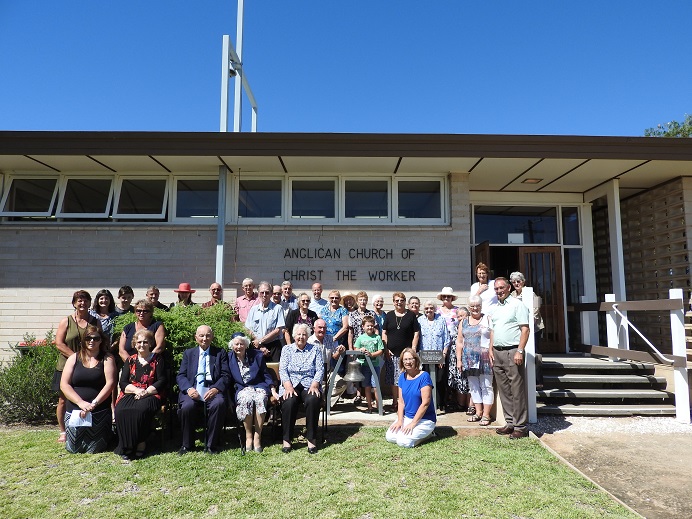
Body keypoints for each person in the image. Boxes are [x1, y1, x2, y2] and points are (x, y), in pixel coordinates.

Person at [60, 325, 117, 453]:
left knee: (95, 449)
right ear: (83, 340)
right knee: (73, 448)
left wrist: (94, 403)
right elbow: (64, 384)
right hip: (75, 410)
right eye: (88, 338)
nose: (92, 341)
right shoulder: (74, 358)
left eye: (95, 338)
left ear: (101, 340)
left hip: (98, 410)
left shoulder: (107, 358)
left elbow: (110, 383)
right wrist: (80, 402)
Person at [54, 290, 101, 443]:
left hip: (88, 366)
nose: (82, 303)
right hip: (66, 365)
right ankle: (63, 431)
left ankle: (86, 427)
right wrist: (76, 358)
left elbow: (99, 340)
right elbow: (59, 343)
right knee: (63, 400)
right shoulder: (66, 321)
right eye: (79, 300)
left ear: (89, 303)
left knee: (86, 396)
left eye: (85, 300)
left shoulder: (95, 321)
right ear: (74, 303)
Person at [176, 325, 231, 454]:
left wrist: (216, 388)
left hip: (212, 389)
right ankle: (187, 444)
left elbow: (226, 375)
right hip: (193, 389)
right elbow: (181, 375)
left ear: (212, 337)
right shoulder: (188, 354)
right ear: (196, 338)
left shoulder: (219, 353)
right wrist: (189, 389)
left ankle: (211, 444)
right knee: (187, 407)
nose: (204, 338)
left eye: (207, 335)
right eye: (201, 335)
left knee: (219, 403)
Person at [114, 329, 166, 460]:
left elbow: (162, 381)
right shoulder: (130, 360)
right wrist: (137, 391)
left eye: (145, 342)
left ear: (150, 344)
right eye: (139, 342)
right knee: (121, 410)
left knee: (140, 410)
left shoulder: (157, 360)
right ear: (134, 344)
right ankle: (126, 446)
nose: (141, 345)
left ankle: (141, 443)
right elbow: (123, 382)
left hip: (151, 394)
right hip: (132, 392)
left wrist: (145, 392)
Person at [491, 277, 530, 439]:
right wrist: (490, 349)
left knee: (517, 390)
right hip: (497, 352)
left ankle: (520, 426)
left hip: (513, 351)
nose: (499, 291)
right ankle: (510, 423)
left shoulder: (517, 305)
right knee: (504, 389)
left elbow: (525, 330)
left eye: (501, 288)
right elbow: (493, 330)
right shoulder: (495, 308)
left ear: (508, 288)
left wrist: (520, 350)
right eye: (496, 289)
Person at [228, 333, 277, 454]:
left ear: (246, 344)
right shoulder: (228, 358)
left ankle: (257, 436)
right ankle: (248, 435)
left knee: (260, 399)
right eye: (236, 344)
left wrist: (272, 389)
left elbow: (265, 375)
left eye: (241, 344)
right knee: (246, 399)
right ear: (232, 345)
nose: (239, 346)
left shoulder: (257, 355)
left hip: (258, 386)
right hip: (241, 388)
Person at [279, 324, 324, 454]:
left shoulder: (315, 349)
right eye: (299, 334)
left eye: (304, 334)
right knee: (289, 401)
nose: (301, 337)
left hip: (309, 384)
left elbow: (320, 369)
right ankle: (287, 440)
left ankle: (311, 439)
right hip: (291, 384)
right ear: (294, 336)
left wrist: (315, 384)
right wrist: (287, 386)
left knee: (313, 400)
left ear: (308, 336)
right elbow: (282, 370)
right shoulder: (287, 349)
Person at [385, 348, 436, 448]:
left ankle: (429, 435)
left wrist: (413, 424)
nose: (408, 362)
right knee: (390, 437)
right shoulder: (402, 377)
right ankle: (408, 432)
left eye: (410, 359)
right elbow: (401, 402)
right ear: (402, 362)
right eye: (405, 360)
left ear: (416, 360)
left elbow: (425, 403)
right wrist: (400, 420)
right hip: (407, 418)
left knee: (403, 442)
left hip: (424, 420)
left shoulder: (424, 376)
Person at [457, 295, 494, 426]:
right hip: (468, 358)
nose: (475, 308)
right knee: (473, 386)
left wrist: (491, 351)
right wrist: (459, 360)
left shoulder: (487, 319)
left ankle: (486, 415)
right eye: (472, 306)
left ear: (481, 306)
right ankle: (478, 412)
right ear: (469, 307)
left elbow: (492, 337)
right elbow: (460, 341)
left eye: (477, 306)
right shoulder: (464, 321)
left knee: (486, 386)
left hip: (484, 358)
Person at [382, 293, 420, 413]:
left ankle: (406, 403)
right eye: (397, 300)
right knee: (394, 380)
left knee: (407, 379)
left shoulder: (411, 315)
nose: (399, 302)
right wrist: (386, 348)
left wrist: (413, 348)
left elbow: (416, 332)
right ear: (393, 302)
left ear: (405, 302)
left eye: (402, 300)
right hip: (392, 354)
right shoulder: (389, 315)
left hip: (407, 355)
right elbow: (384, 332)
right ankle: (395, 402)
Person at [437, 287, 469, 412]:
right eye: (444, 296)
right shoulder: (438, 311)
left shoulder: (457, 311)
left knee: (456, 373)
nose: (446, 298)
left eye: (448, 296)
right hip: (442, 346)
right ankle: (444, 401)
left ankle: (456, 400)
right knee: (443, 375)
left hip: (456, 345)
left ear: (452, 298)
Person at [417, 300, 450, 413]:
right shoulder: (420, 320)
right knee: (426, 381)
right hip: (425, 356)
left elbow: (446, 339)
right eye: (426, 308)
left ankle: (441, 404)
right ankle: (428, 404)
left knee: (440, 380)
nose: (429, 310)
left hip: (439, 356)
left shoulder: (441, 320)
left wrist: (444, 355)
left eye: (431, 308)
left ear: (435, 309)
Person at [308, 319, 347, 407]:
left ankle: (326, 403)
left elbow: (335, 356)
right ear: (314, 328)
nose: (322, 330)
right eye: (320, 328)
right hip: (315, 373)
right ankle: (321, 403)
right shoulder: (309, 341)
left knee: (342, 383)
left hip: (328, 371)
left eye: (324, 328)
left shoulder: (330, 338)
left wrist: (340, 351)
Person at [246, 281, 286, 361]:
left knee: (274, 372)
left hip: (273, 347)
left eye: (267, 292)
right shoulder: (253, 310)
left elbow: (277, 330)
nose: (264, 295)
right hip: (256, 347)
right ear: (258, 294)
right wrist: (260, 345)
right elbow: (247, 329)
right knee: (257, 372)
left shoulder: (278, 308)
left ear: (271, 294)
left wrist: (260, 341)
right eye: (262, 292)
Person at [353, 315, 384, 413]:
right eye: (368, 326)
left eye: (371, 325)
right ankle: (369, 406)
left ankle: (379, 407)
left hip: (375, 365)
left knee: (376, 387)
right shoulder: (360, 338)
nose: (370, 327)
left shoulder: (377, 337)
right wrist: (360, 350)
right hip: (364, 366)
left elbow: (381, 350)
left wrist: (372, 354)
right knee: (367, 386)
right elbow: (355, 348)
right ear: (363, 327)